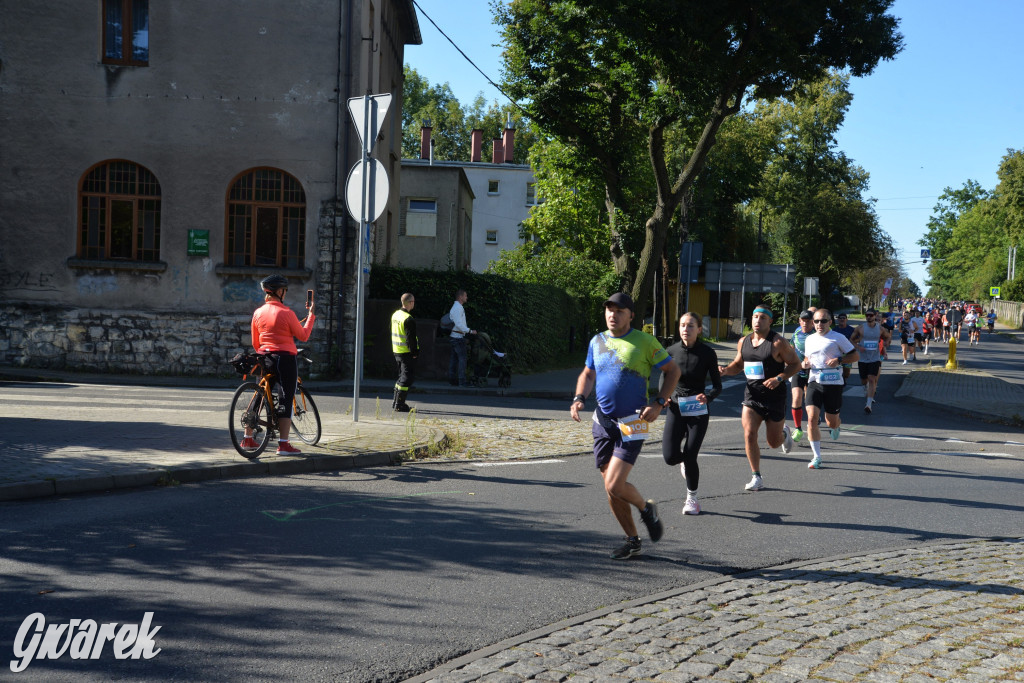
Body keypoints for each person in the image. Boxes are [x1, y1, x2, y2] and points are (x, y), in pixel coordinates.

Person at [570, 292, 680, 559]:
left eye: (619, 310)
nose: (612, 314)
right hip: (603, 422)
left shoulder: (645, 341)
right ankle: (633, 540)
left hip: (633, 422)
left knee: (615, 485)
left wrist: (659, 403)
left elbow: (673, 371)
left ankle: (646, 509)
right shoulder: (597, 341)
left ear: (631, 315)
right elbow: (588, 372)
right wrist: (579, 398)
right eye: (609, 309)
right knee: (610, 487)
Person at [718, 304, 802, 491]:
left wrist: (779, 378)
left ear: (770, 321)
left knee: (773, 443)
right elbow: (737, 365)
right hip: (752, 396)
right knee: (749, 433)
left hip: (775, 398)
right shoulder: (743, 342)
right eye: (755, 316)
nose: (758, 320)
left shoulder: (778, 342)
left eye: (763, 317)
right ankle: (756, 476)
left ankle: (784, 433)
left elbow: (796, 364)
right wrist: (725, 370)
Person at [244, 275, 316, 455]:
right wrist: (311, 316)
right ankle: (283, 444)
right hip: (285, 359)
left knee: (259, 395)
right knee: (285, 397)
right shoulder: (287, 313)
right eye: (284, 290)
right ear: (279, 292)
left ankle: (247, 438)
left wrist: (266, 350)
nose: (285, 293)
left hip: (264, 357)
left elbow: (255, 342)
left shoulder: (258, 313)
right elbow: (304, 336)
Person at [662, 312, 722, 516]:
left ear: (699, 329)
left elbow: (717, 385)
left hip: (698, 410)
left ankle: (692, 499)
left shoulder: (707, 353)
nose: (685, 329)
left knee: (691, 455)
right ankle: (682, 462)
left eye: (690, 326)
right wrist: (665, 396)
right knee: (670, 457)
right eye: (682, 325)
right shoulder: (670, 351)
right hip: (676, 408)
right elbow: (663, 377)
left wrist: (709, 396)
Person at [801, 309, 859, 469]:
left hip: (833, 384)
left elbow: (855, 356)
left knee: (831, 421)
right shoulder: (809, 339)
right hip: (814, 382)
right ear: (813, 323)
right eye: (817, 321)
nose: (820, 324)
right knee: (812, 418)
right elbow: (807, 358)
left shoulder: (838, 338)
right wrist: (804, 364)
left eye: (823, 321)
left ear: (830, 322)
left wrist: (839, 360)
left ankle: (836, 426)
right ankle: (816, 456)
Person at [850, 308, 889, 414]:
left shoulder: (880, 329)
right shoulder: (860, 328)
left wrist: (886, 343)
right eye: (867, 315)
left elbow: (887, 337)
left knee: (872, 379)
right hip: (862, 358)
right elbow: (851, 340)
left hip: (875, 358)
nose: (868, 317)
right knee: (864, 380)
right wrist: (858, 346)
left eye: (871, 315)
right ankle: (865, 389)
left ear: (875, 316)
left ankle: (868, 404)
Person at [789, 310, 815, 445]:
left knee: (808, 400)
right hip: (798, 370)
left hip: (813, 372)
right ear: (800, 321)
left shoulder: (817, 334)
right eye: (802, 320)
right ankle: (798, 428)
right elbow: (791, 348)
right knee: (796, 397)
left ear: (812, 322)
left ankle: (815, 416)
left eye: (807, 321)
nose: (805, 323)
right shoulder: (796, 332)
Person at [390, 293, 419, 412]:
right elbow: (410, 338)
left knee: (401, 377)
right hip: (406, 352)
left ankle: (395, 402)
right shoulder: (408, 319)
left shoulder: (395, 315)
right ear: (410, 303)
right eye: (413, 302)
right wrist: (414, 352)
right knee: (407, 378)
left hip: (396, 350)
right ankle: (399, 404)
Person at [447, 289, 476, 386]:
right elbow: (459, 324)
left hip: (455, 336)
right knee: (462, 359)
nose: (466, 297)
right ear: (460, 297)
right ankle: (462, 381)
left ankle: (452, 379)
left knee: (454, 359)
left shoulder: (457, 307)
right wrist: (470, 331)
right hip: (457, 337)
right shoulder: (458, 308)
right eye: (465, 296)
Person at [833, 313, 855, 381]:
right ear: (838, 319)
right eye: (840, 318)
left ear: (846, 319)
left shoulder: (851, 329)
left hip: (847, 353)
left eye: (844, 318)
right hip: (836, 353)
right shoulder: (834, 330)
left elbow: (856, 339)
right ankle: (840, 383)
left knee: (846, 373)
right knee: (836, 370)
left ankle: (843, 380)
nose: (842, 319)